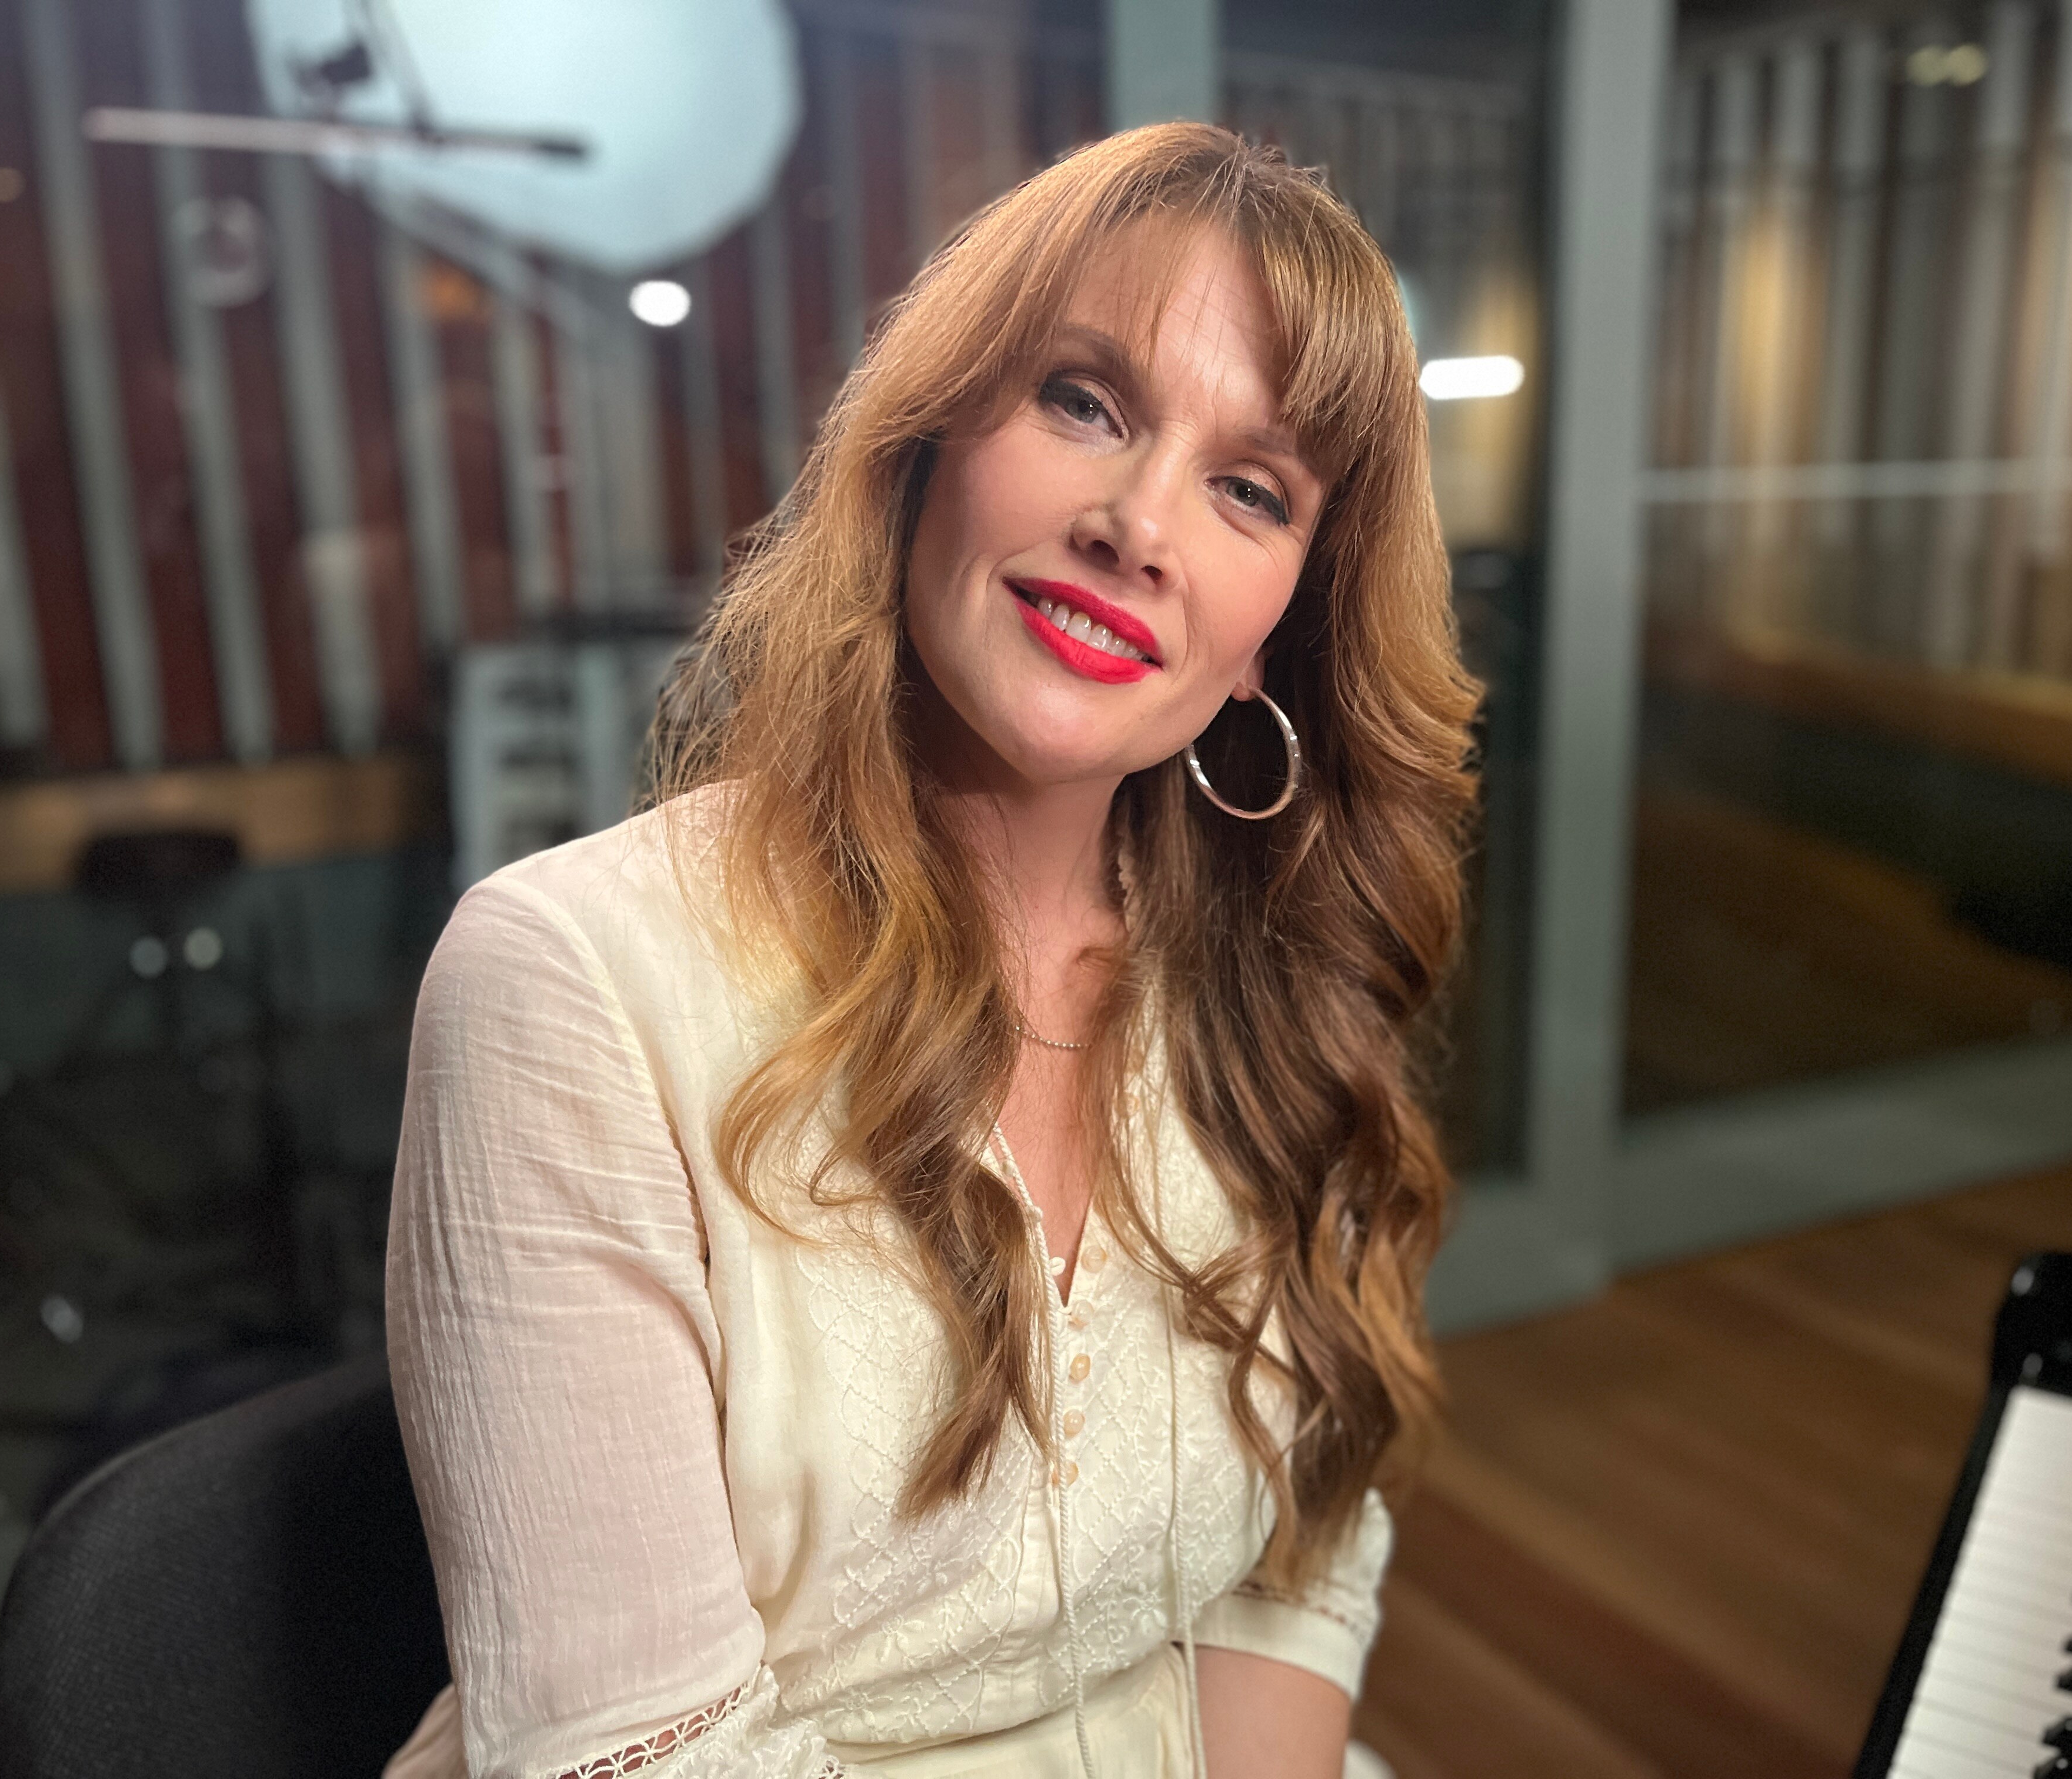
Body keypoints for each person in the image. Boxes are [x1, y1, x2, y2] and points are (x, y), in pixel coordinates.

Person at [382, 121, 1479, 1779]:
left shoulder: (1260, 995)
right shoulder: (569, 981)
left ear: (1282, 633)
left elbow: (1296, 1564)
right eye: (1085, 402)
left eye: (1249, 489)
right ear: (925, 447)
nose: (1140, 523)